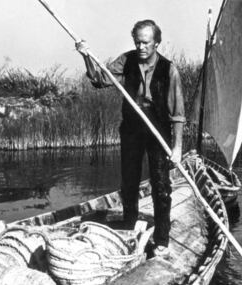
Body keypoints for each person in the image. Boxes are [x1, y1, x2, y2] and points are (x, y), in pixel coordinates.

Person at [76, 19, 185, 257]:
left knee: (161, 186)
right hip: (132, 128)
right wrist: (86, 56)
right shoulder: (127, 60)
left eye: (145, 42)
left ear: (157, 43)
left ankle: (162, 240)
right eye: (137, 42)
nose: (141, 47)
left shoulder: (170, 70)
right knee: (129, 181)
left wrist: (176, 149)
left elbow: (177, 115)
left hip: (158, 129)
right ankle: (128, 227)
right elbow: (100, 79)